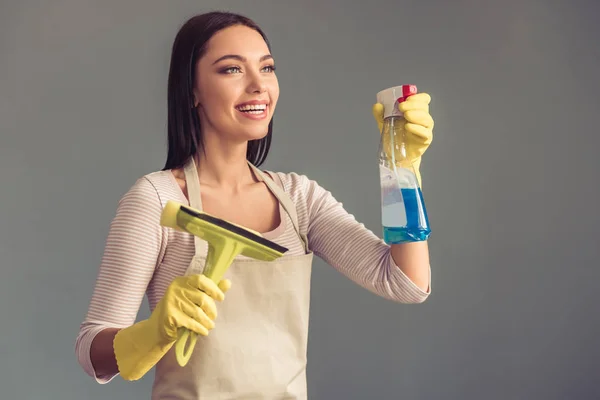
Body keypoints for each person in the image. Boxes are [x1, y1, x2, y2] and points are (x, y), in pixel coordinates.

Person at [75, 10, 435, 399]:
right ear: (191, 89)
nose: (257, 86)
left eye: (267, 68)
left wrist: (400, 171)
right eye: (231, 70)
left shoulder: (299, 200)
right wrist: (151, 333)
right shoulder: (157, 200)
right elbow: (91, 351)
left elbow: (405, 283)